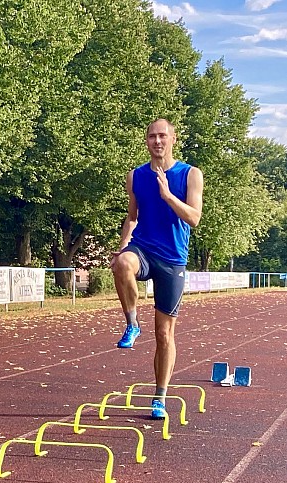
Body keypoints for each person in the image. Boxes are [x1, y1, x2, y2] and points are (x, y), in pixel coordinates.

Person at [110, 119, 203, 419]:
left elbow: (194, 218)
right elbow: (132, 217)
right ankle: (132, 323)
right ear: (147, 141)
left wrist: (168, 196)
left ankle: (159, 397)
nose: (157, 141)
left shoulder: (190, 174)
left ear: (173, 138)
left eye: (163, 135)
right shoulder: (136, 176)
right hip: (144, 249)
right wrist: (124, 243)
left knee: (164, 334)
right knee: (122, 263)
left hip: (173, 259)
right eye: (152, 136)